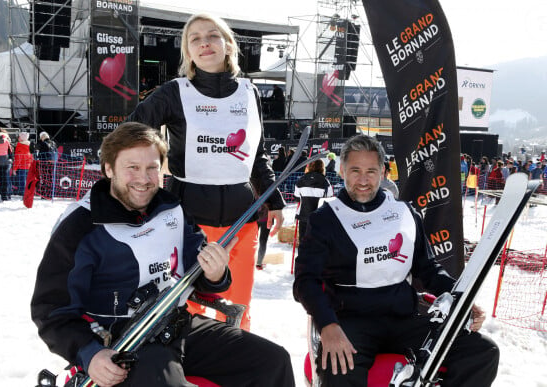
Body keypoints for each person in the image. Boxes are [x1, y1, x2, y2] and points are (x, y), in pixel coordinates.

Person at [30, 122, 294, 387]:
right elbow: (51, 310)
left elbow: (197, 271)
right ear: (109, 169)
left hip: (178, 325)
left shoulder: (171, 207)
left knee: (273, 362)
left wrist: (215, 273)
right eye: (132, 167)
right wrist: (90, 353)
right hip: (123, 343)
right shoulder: (81, 225)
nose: (143, 179)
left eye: (152, 168)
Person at [293, 134, 499, 386]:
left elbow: (429, 269)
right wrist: (327, 325)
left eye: (371, 171)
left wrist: (462, 301)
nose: (363, 180)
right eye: (355, 170)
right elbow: (305, 282)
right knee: (337, 371)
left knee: (482, 352)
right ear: (343, 170)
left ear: (382, 172)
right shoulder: (325, 219)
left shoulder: (404, 213)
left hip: (403, 320)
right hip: (351, 323)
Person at [127, 13, 285, 331]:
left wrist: (274, 198)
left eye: (212, 35)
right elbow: (132, 134)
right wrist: (145, 178)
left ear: (227, 44)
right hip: (188, 217)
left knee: (238, 308)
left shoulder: (248, 91)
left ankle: (235, 368)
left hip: (243, 218)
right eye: (194, 38)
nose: (204, 43)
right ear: (188, 51)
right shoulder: (176, 91)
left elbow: (256, 154)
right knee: (186, 304)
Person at [294, 159, 334, 240]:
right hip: (319, 217)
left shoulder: (301, 180)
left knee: (303, 241)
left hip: (304, 215)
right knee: (318, 242)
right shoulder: (325, 181)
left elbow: (297, 197)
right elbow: (330, 198)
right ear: (322, 167)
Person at [12, 132, 33, 196]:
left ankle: (22, 193)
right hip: (28, 166)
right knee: (26, 181)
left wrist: (14, 169)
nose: (18, 138)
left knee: (22, 181)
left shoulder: (20, 146)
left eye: (19, 137)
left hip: (22, 167)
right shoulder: (29, 145)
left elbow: (18, 158)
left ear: (22, 138)